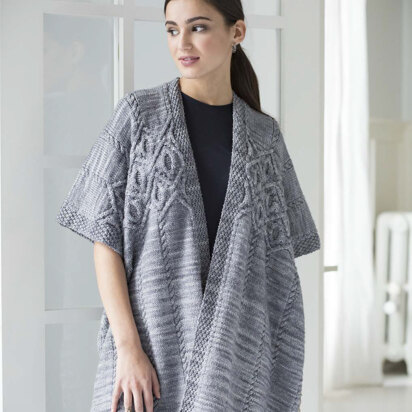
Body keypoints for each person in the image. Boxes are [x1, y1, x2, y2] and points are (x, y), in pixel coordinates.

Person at [56, 0, 320, 411]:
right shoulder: (138, 116)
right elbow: (104, 240)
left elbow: (278, 265)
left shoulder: (264, 137)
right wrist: (128, 348)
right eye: (172, 29)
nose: (182, 43)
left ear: (237, 32)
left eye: (198, 27)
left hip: (234, 358)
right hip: (148, 352)